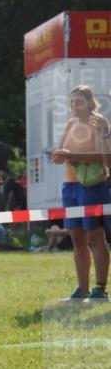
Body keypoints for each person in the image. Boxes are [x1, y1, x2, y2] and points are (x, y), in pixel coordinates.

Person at [51, 84, 111, 300]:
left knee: (95, 237)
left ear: (89, 101)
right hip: (70, 187)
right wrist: (59, 155)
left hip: (92, 186)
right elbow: (62, 152)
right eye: (71, 102)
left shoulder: (99, 122)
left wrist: (71, 155)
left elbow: (103, 157)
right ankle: (82, 289)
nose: (74, 106)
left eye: (78, 101)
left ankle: (100, 289)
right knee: (77, 238)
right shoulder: (70, 123)